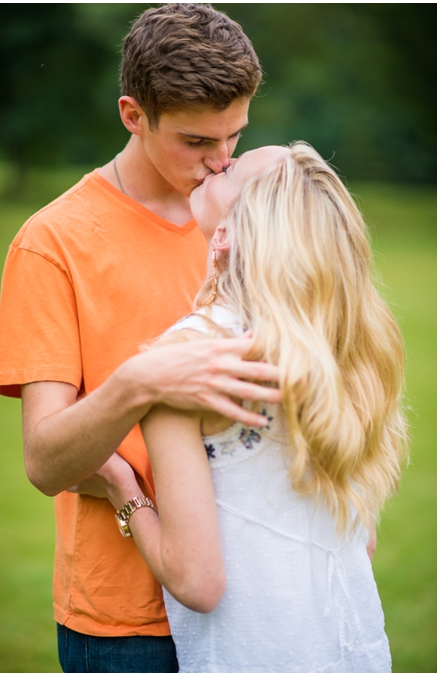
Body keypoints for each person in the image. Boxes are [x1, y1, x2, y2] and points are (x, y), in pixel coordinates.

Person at [0, 4, 280, 671]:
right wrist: (140, 390)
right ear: (133, 115)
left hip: (261, 595)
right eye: (195, 142)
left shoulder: (257, 219)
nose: (220, 163)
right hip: (126, 626)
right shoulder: (52, 241)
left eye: (233, 136)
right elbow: (45, 460)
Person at [82, 142, 407, 671]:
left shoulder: (183, 361)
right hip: (353, 651)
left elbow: (198, 583)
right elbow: (359, 544)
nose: (217, 162)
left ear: (229, 232)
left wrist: (122, 488)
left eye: (231, 169)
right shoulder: (336, 348)